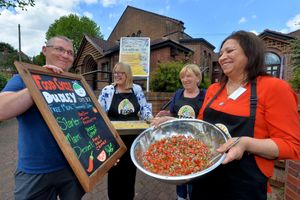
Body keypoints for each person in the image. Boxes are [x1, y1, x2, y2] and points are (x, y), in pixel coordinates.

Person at [189, 30, 300, 200]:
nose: (222, 56)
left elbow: (291, 146)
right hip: (204, 175)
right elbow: (201, 126)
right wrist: (175, 122)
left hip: (244, 186)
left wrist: (246, 144)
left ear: (250, 52)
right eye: (221, 52)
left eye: (230, 51)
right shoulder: (213, 89)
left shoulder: (274, 88)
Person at [0, 36, 85, 200]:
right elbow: (2, 109)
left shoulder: (75, 86)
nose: (65, 55)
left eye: (70, 52)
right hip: (35, 170)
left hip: (73, 166)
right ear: (45, 50)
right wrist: (39, 82)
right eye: (59, 49)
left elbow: (87, 120)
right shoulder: (23, 79)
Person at [98, 62, 153, 200]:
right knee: (115, 172)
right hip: (114, 138)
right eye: (115, 72)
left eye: (120, 72)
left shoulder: (137, 89)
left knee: (130, 172)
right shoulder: (108, 91)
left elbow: (144, 108)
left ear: (127, 74)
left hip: (132, 138)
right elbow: (99, 113)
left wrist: (151, 119)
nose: (117, 75)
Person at [155, 64, 206, 200]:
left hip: (196, 141)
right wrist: (164, 114)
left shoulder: (205, 95)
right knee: (178, 170)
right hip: (177, 139)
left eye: (189, 76)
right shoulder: (178, 93)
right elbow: (173, 112)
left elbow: (204, 120)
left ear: (197, 78)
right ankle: (181, 197)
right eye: (182, 77)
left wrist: (168, 117)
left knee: (194, 173)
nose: (185, 79)